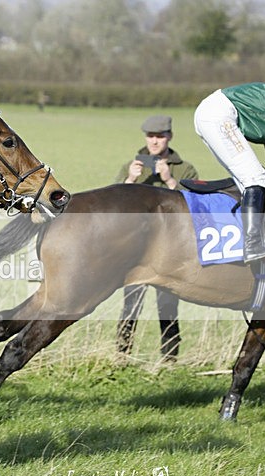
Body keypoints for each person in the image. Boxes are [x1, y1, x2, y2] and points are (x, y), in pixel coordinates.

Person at [115, 115, 199, 360]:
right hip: (136, 249)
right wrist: (130, 180)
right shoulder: (131, 166)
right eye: (150, 136)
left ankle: (170, 358)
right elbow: (113, 209)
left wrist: (170, 181)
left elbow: (194, 207)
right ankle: (122, 355)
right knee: (131, 305)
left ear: (169, 137)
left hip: (171, 251)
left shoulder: (185, 168)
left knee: (168, 306)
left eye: (160, 136)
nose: (154, 141)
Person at [194, 82, 265, 263]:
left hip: (213, 114)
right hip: (219, 116)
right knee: (255, 178)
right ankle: (253, 246)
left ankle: (256, 240)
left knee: (252, 179)